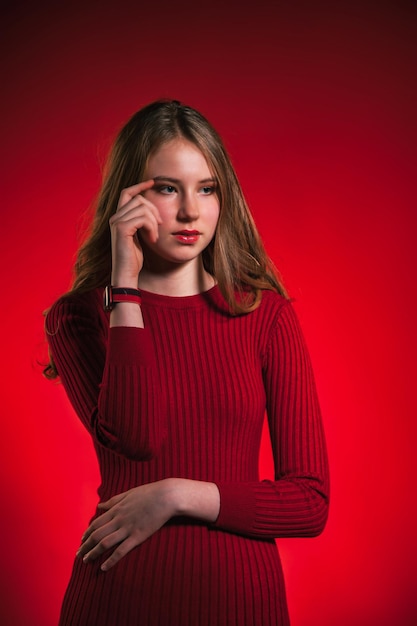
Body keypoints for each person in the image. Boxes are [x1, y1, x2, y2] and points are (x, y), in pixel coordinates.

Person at [44, 99, 329, 626]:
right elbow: (138, 437)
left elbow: (309, 503)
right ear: (129, 198)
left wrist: (177, 495)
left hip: (242, 602)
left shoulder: (264, 315)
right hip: (118, 601)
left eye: (207, 188)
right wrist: (124, 293)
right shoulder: (80, 317)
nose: (191, 212)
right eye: (167, 188)